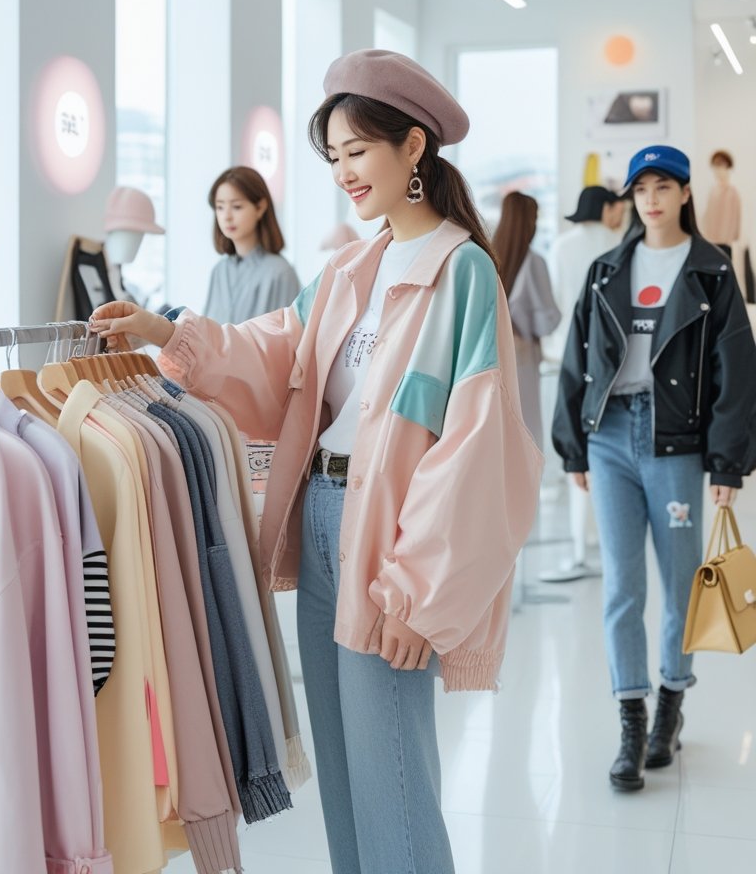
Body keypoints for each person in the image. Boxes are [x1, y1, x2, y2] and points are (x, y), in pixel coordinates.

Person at [91, 48, 543, 874]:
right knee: (340, 771)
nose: (343, 174)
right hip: (325, 518)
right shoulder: (347, 270)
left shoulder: (461, 271)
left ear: (414, 147)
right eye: (332, 158)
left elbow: (475, 451)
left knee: (393, 779)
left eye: (358, 152)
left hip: (395, 544)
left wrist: (417, 594)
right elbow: (272, 358)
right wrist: (168, 334)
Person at [552, 145, 756, 793]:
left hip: (677, 443)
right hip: (612, 434)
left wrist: (728, 461)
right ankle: (631, 722)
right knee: (621, 587)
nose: (650, 198)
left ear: (685, 193)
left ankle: (671, 704)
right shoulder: (606, 267)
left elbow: (737, 376)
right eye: (640, 188)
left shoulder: (712, 271)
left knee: (680, 584)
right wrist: (574, 444)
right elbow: (576, 357)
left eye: (663, 186)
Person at [540, 185, 625, 583]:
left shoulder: (561, 246)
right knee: (610, 450)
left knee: (576, 448)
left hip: (567, 358)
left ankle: (578, 545)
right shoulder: (618, 244)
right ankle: (605, 542)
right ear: (606, 208)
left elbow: (555, 304)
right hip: (614, 365)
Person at [493, 191, 561, 450]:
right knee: (525, 434)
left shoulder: (487, 255)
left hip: (489, 358)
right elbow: (547, 323)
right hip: (522, 360)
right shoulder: (534, 262)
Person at [204, 165, 300, 323]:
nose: (226, 216)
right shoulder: (219, 271)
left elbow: (289, 340)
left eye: (236, 206)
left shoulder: (280, 273)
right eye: (220, 207)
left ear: (260, 207)